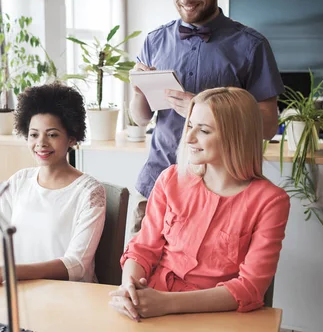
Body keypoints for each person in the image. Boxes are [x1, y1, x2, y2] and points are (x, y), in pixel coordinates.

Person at [129, 0, 284, 234]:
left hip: (223, 195)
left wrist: (204, 110)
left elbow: (266, 126)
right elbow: (141, 117)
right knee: (140, 277)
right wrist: (137, 90)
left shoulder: (251, 47)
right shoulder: (154, 41)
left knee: (205, 281)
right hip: (156, 186)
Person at [109, 87, 290, 320]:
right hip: (150, 308)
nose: (189, 137)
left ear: (236, 135)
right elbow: (142, 249)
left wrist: (166, 303)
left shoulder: (270, 202)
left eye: (203, 130)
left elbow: (251, 287)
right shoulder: (170, 179)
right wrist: (130, 290)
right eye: (190, 126)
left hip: (216, 316)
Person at [0, 83, 106, 287]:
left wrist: (6, 272)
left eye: (52, 134)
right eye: (34, 134)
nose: (41, 143)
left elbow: (76, 265)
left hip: (71, 298)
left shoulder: (89, 192)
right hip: (22, 292)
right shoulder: (20, 181)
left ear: (72, 138)